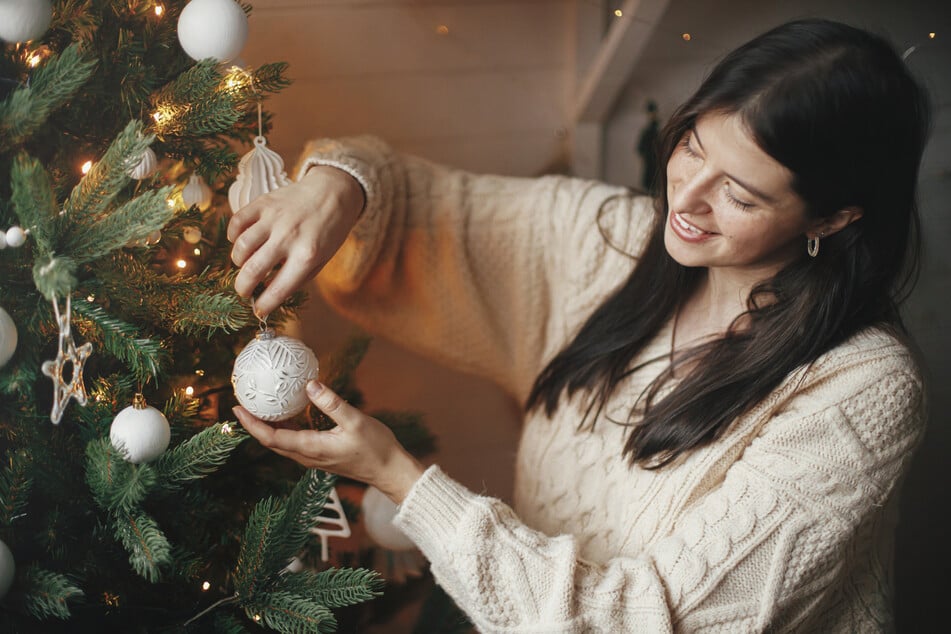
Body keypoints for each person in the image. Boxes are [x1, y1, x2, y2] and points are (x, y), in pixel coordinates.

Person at [228, 18, 931, 632]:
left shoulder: (863, 391)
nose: (685, 199)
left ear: (831, 219)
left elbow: (642, 621)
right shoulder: (610, 240)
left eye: (738, 195)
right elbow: (404, 202)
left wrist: (397, 477)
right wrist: (335, 189)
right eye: (692, 146)